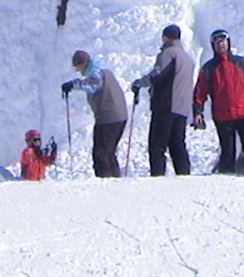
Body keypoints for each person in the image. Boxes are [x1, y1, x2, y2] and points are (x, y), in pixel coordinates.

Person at [192, 29, 244, 176]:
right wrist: (198, 111)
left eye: (223, 42)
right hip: (223, 117)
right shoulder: (209, 69)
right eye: (217, 43)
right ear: (213, 46)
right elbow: (200, 92)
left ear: (228, 43)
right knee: (228, 152)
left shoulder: (241, 64)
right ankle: (226, 184)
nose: (221, 45)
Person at [131, 24, 195, 176]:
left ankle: (158, 177)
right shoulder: (188, 58)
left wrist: (139, 83)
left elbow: (158, 74)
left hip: (166, 105)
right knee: (177, 144)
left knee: (157, 145)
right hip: (182, 108)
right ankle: (184, 175)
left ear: (166, 37)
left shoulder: (168, 53)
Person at [61, 50, 127, 178]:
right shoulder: (101, 69)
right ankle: (116, 182)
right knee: (109, 153)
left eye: (77, 66)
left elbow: (93, 84)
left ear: (83, 63)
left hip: (108, 117)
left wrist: (73, 84)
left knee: (100, 154)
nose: (77, 70)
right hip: (118, 116)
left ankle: (105, 184)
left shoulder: (95, 72)